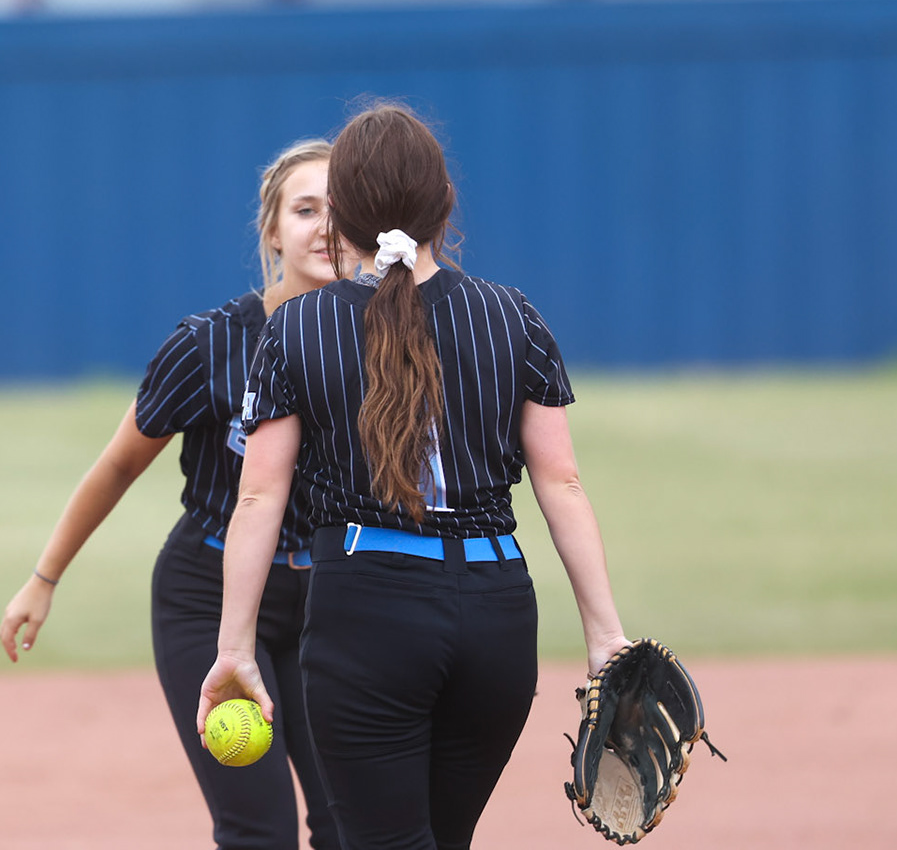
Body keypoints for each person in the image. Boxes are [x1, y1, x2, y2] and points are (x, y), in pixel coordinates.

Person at [198, 102, 631, 850]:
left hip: (369, 612)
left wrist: (234, 648)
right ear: (444, 204)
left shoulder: (298, 326)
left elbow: (262, 494)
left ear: (345, 216)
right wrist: (606, 638)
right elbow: (561, 486)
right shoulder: (511, 315)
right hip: (497, 613)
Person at [0, 139, 340, 850]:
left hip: (333, 600)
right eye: (305, 209)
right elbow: (120, 465)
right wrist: (43, 578)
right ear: (272, 231)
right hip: (207, 593)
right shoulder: (213, 343)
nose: (325, 228)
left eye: (342, 211)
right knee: (260, 830)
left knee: (351, 825)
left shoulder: (379, 343)